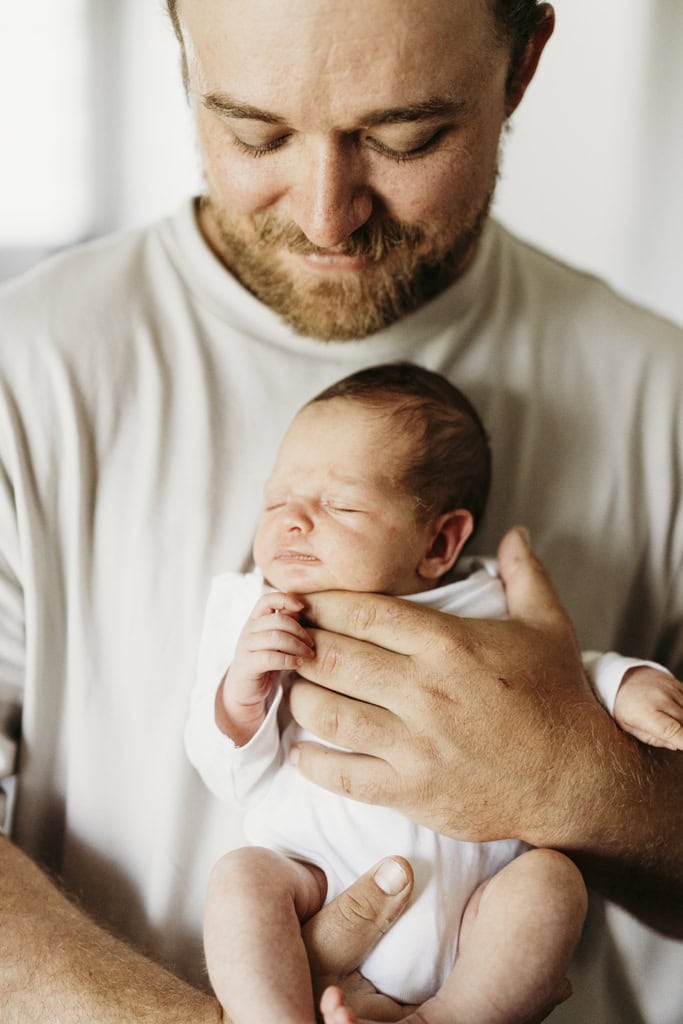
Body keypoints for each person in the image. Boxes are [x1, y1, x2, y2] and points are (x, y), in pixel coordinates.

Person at [0, 0, 681, 1021]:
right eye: (252, 130)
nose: (327, 215)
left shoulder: (658, 395)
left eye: (406, 135)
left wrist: (585, 784)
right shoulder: (25, 374)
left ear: (522, 63)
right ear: (181, 50)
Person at [184, 361, 678, 1024]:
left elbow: (561, 678)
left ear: (439, 542)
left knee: (553, 888)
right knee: (242, 879)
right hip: (315, 873)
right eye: (277, 501)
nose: (293, 523)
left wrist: (626, 685)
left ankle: (450, 1016)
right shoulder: (257, 609)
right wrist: (241, 691)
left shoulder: (486, 601)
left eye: (341, 504)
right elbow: (222, 766)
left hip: (480, 903)